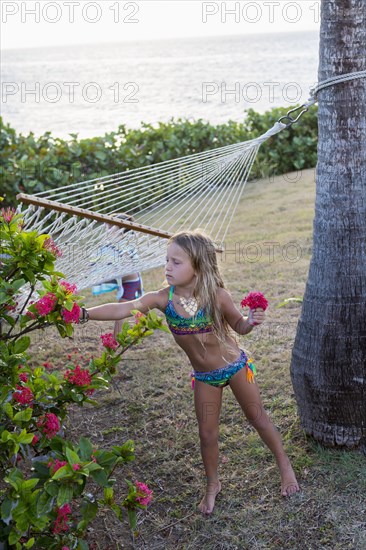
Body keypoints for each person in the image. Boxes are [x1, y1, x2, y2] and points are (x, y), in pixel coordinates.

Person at [80, 231, 300, 514]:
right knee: (207, 435)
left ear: (198, 266)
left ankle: (284, 465)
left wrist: (251, 320)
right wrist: (84, 313)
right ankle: (212, 485)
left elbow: (239, 327)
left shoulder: (217, 296)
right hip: (205, 377)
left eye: (176, 262)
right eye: (167, 260)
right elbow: (124, 307)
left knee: (257, 417)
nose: (167, 267)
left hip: (235, 367)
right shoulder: (163, 299)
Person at [91, 213, 143, 337]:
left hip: (131, 284)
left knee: (120, 313)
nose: (107, 229)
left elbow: (125, 263)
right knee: (139, 305)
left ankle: (115, 340)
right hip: (131, 281)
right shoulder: (114, 244)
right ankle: (144, 322)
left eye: (111, 227)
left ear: (120, 229)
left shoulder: (123, 245)